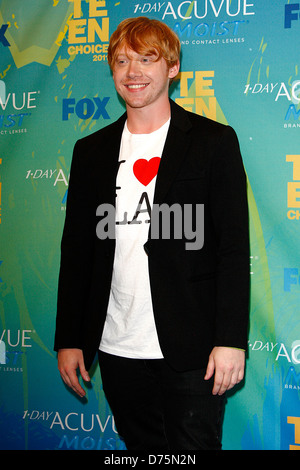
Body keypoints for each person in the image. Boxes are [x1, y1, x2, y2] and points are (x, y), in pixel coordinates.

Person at [54, 17, 250, 450]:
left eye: (147, 58)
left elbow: (233, 251)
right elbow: (78, 252)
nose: (133, 71)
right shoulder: (90, 152)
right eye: (122, 60)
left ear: (173, 67)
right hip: (117, 346)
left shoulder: (213, 142)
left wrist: (231, 340)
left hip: (192, 349)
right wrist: (69, 339)